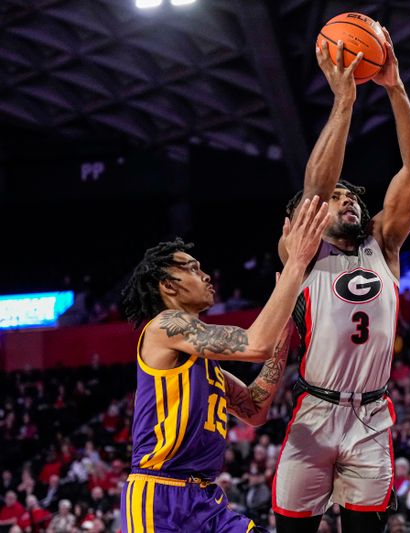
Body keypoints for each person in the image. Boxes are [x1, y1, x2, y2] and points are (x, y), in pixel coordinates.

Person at [271, 28, 410, 533]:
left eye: (353, 197)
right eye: (339, 197)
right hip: (316, 410)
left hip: (373, 415)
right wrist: (344, 101)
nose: (348, 201)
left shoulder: (383, 244)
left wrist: (396, 88)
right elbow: (314, 189)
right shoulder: (304, 250)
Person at [117, 196, 329, 533]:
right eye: (192, 268)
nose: (206, 275)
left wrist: (285, 326)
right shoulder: (164, 326)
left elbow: (256, 408)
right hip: (159, 496)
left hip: (205, 500)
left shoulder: (205, 364)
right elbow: (255, 343)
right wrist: (297, 263)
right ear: (168, 285)